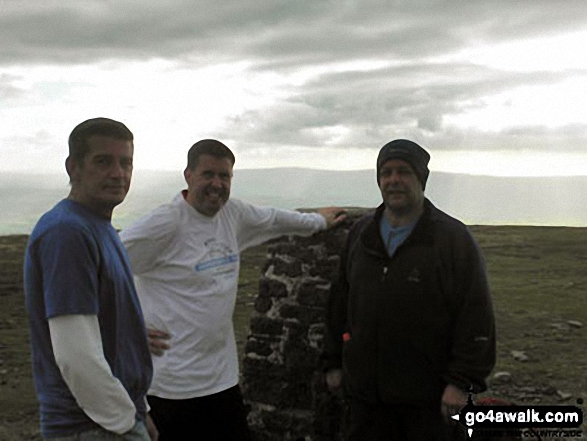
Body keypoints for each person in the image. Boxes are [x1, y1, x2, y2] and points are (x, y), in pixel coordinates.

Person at [119, 139, 346, 441]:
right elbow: (98, 269)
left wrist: (317, 220)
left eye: (224, 176)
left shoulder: (232, 214)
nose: (217, 184)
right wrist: (122, 328)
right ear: (188, 176)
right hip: (170, 387)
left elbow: (274, 219)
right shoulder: (165, 223)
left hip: (221, 381)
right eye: (208, 174)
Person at [323, 139, 496, 440]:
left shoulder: (451, 239)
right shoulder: (362, 234)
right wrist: (332, 362)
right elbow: (341, 303)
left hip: (428, 402)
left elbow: (476, 314)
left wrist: (461, 383)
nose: (394, 180)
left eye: (404, 172)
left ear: (421, 179)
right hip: (365, 399)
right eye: (386, 172)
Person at [24, 118, 157, 440]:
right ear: (74, 167)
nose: (118, 173)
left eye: (126, 163)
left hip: (110, 419)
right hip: (90, 427)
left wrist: (141, 410)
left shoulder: (99, 227)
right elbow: (75, 353)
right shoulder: (67, 232)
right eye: (103, 161)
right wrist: (127, 423)